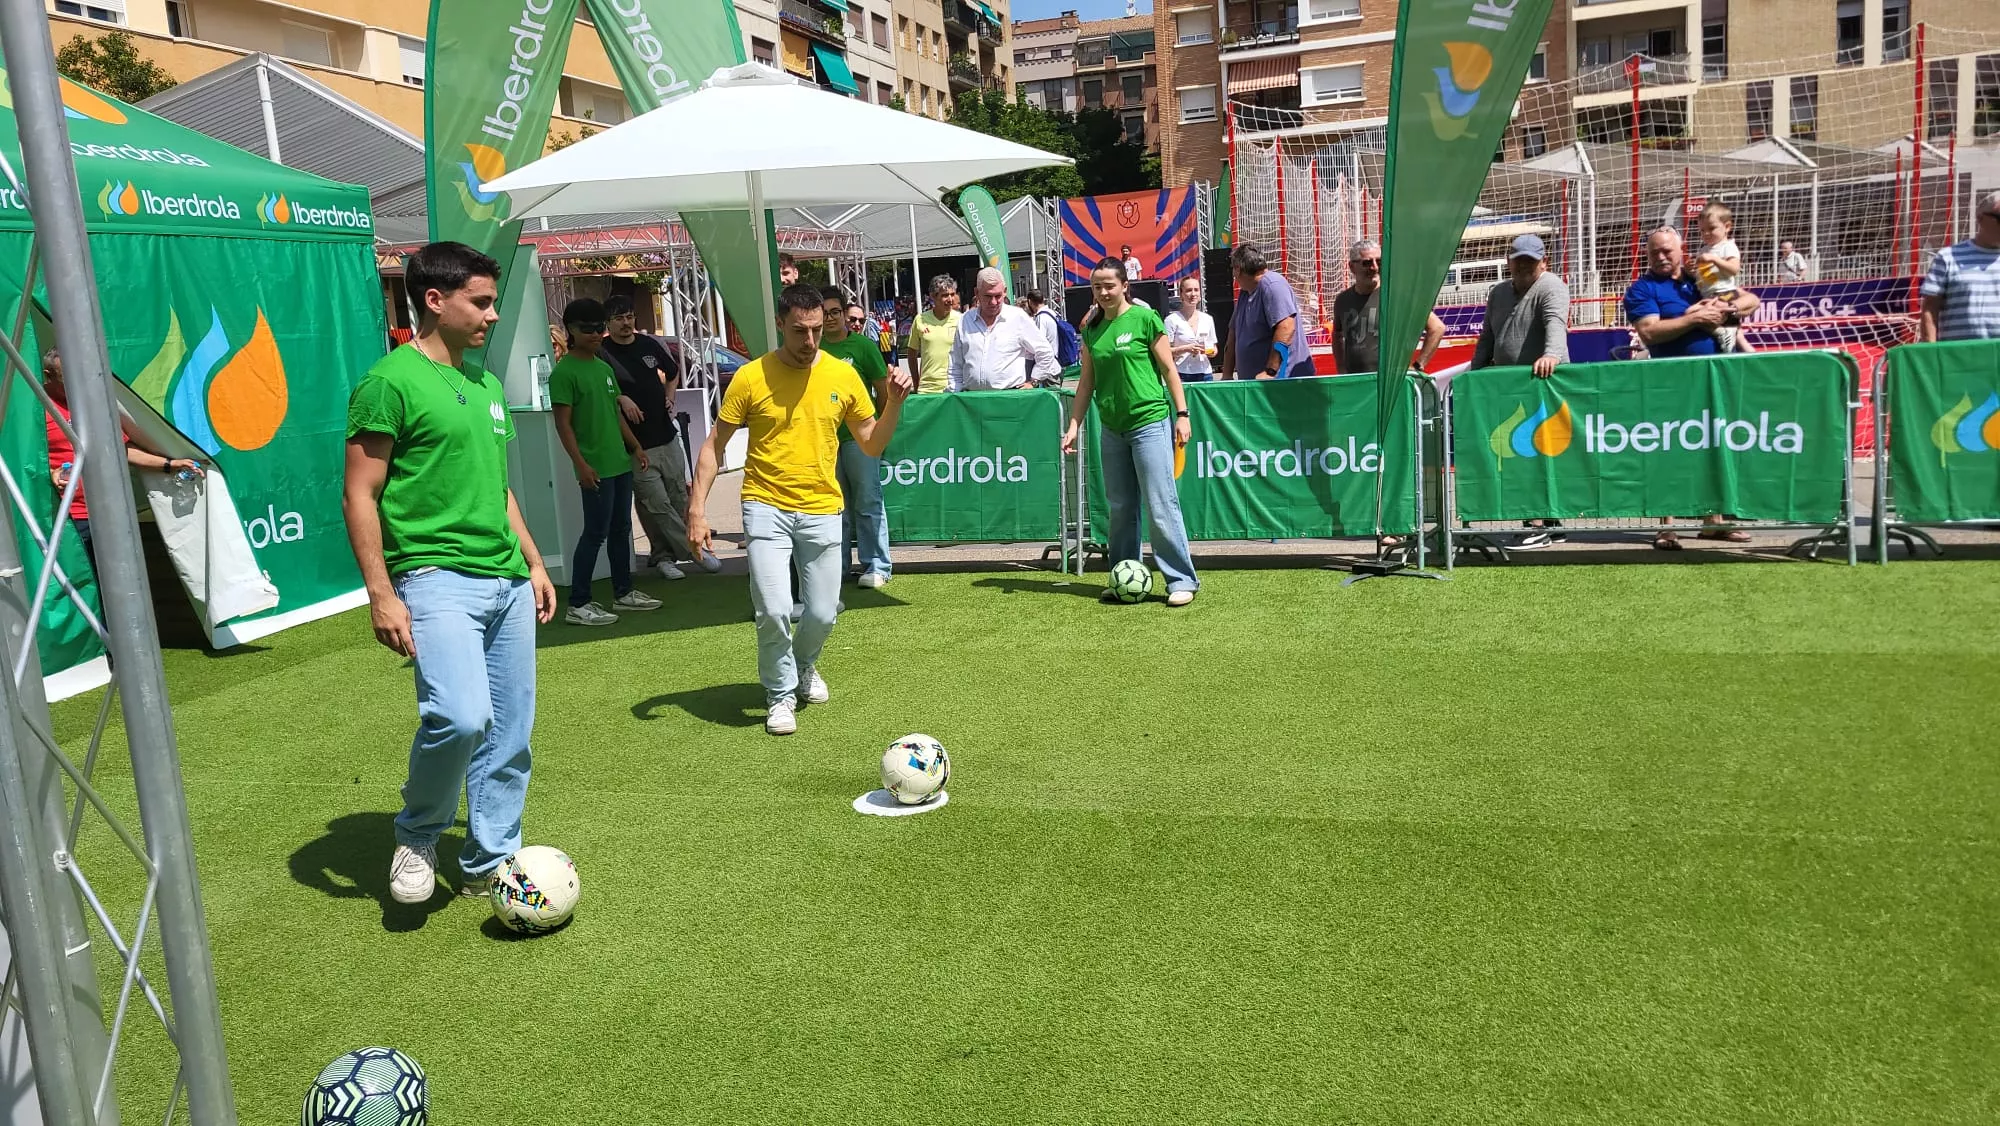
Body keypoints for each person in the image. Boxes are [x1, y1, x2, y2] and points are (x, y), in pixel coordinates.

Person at [342, 241, 559, 905]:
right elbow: (359, 493)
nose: (493, 315)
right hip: (435, 579)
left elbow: (496, 488)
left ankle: (488, 861)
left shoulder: (486, 384)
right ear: (435, 300)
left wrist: (533, 559)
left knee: (511, 732)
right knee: (460, 718)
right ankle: (418, 834)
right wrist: (381, 595)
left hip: (508, 583)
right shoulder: (390, 382)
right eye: (482, 302)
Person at [686, 284, 915, 736]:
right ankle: (780, 695)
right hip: (764, 505)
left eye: (815, 330)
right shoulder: (751, 377)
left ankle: (804, 666)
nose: (809, 341)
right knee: (772, 609)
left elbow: (871, 443)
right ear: (780, 324)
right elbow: (715, 445)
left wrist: (894, 403)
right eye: (799, 331)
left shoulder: (842, 376)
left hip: (823, 508)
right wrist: (697, 509)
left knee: (824, 613)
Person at [1062, 257, 1198, 608]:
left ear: (1125, 285)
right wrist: (1074, 425)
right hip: (1111, 428)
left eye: (1110, 285)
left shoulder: (1144, 319)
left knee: (1159, 503)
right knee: (1120, 508)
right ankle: (1123, 575)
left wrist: (1182, 415)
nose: (1104, 292)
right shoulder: (1091, 328)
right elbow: (1086, 382)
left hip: (1150, 422)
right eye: (1097, 286)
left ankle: (1181, 580)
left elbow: (1169, 370)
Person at [1623, 227, 1763, 550]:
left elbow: (1751, 300)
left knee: (1715, 448)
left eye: (1667, 251)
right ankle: (1666, 527)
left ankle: (1715, 524)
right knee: (1668, 454)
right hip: (1669, 384)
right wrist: (1697, 318)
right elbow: (1650, 332)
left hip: (1713, 379)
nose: (1661, 257)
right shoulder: (1642, 289)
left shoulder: (1698, 278)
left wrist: (1727, 310)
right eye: (1654, 252)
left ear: (1680, 250)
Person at [550, 297, 660, 625]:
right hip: (595, 467)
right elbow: (563, 424)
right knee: (595, 533)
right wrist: (580, 464)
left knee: (620, 529)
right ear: (570, 330)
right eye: (589, 329)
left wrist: (636, 446)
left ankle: (623, 592)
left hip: (618, 463)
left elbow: (614, 412)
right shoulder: (564, 373)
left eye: (600, 327)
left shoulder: (603, 368)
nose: (597, 334)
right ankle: (579, 602)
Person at [41, 349, 204, 561]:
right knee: (81, 585)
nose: (75, 385)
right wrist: (50, 473)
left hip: (109, 511)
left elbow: (119, 450)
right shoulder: (36, 408)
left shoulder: (92, 403)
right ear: (48, 374)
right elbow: (24, 460)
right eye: (66, 380)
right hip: (68, 516)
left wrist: (169, 463)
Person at [600, 295, 717, 581]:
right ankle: (692, 552)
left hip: (666, 435)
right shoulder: (602, 353)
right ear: (608, 324)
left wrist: (670, 397)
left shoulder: (649, 344)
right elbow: (601, 393)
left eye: (629, 316)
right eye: (619, 318)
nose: (626, 323)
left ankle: (663, 554)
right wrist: (621, 399)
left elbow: (673, 373)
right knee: (656, 503)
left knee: (678, 496)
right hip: (634, 444)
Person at [1470, 235, 1572, 550]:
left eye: (1531, 259)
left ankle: (1539, 523)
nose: (1524, 265)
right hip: (1509, 387)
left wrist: (1552, 354)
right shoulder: (1498, 292)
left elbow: (1556, 323)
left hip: (1546, 385)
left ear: (1544, 261)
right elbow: (1488, 335)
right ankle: (1543, 523)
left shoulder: (1551, 285)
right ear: (1509, 261)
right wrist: (1474, 374)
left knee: (1539, 455)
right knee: (1518, 457)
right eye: (1519, 259)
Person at [819, 288, 893, 588]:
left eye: (835, 312)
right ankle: (836, 568)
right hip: (823, 439)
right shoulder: (812, 348)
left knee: (867, 501)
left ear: (844, 314)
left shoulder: (862, 346)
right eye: (823, 313)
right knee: (833, 508)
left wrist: (880, 430)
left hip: (858, 438)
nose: (830, 318)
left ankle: (877, 565)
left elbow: (884, 391)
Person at [1329, 240, 1447, 376]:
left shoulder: (1397, 296)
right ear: (1352, 267)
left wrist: (1418, 365)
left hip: (1390, 386)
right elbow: (1337, 334)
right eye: (1367, 263)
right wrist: (1341, 368)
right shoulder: (1342, 300)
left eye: (1379, 261)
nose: (1374, 267)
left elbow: (1437, 328)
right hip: (1356, 383)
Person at [948, 267, 1059, 391]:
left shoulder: (1017, 317)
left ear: (1005, 291)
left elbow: (1045, 352)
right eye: (988, 296)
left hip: (1009, 398)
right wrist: (955, 393)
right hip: (973, 400)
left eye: (998, 296)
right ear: (976, 293)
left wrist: (1033, 381)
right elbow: (955, 364)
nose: (994, 302)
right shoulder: (965, 320)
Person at [1218, 243, 1313, 380]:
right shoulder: (1245, 293)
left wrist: (1270, 371)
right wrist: (1226, 375)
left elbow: (1286, 327)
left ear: (1238, 269)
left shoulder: (1273, 285)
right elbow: (1233, 335)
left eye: (1233, 269)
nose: (1233, 274)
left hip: (1284, 382)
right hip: (1255, 386)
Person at [1918, 191, 2000, 342]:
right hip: (1958, 356)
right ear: (1980, 218)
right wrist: (1930, 351)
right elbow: (1930, 307)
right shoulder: (1948, 257)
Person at [1691, 203, 1751, 353]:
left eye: (1711, 228)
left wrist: (1714, 259)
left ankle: (1721, 333)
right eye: (1702, 230)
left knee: (1694, 315)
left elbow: (1734, 269)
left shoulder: (1728, 246)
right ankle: (1753, 358)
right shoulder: (1704, 249)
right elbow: (1705, 276)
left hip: (1724, 294)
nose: (1706, 234)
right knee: (1738, 335)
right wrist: (1692, 271)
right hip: (1710, 294)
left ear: (1727, 227)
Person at [906, 275, 961, 394]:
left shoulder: (961, 320)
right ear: (933, 297)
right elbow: (911, 352)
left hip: (954, 387)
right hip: (927, 388)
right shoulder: (920, 319)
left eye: (952, 294)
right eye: (945, 295)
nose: (950, 299)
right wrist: (916, 382)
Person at [1163, 276, 1218, 382]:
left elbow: (1214, 348)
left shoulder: (1208, 319)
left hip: (1205, 373)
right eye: (1188, 290)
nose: (1193, 294)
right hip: (1181, 374)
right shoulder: (1171, 320)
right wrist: (1186, 348)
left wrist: (1210, 351)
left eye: (1196, 290)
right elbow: (1165, 351)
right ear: (1181, 294)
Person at [1022, 289, 1063, 359]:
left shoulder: (1041, 317)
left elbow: (1039, 342)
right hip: (1056, 356)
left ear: (1030, 301)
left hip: (1047, 360)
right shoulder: (1052, 313)